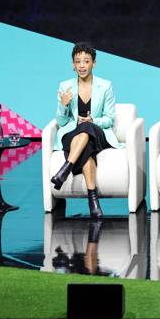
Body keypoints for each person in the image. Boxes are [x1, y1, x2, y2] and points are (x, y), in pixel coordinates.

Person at [50, 42, 124, 219]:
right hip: (72, 134)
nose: (82, 66)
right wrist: (63, 105)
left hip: (97, 131)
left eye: (86, 61)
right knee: (87, 150)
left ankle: (67, 167)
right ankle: (93, 200)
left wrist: (92, 120)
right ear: (73, 65)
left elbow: (109, 119)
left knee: (87, 127)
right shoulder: (65, 86)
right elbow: (60, 121)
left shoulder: (105, 86)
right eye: (78, 62)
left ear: (94, 63)